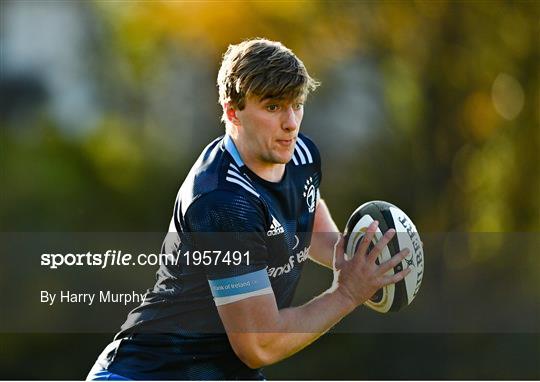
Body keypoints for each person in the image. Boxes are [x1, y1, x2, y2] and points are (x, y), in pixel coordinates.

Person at [87, 38, 411, 380]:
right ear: (232, 112)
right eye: (273, 107)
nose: (291, 123)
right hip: (150, 374)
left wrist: (352, 256)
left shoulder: (300, 155)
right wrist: (347, 291)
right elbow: (259, 345)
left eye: (297, 104)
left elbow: (306, 210)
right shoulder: (221, 201)